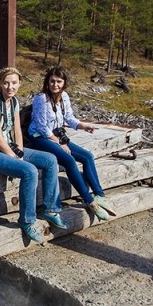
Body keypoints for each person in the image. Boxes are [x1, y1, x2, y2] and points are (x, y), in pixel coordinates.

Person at [0, 66, 67, 245]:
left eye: (14, 83)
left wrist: (20, 151)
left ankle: (50, 209)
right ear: (0, 84)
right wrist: (16, 158)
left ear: (19, 84)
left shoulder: (14, 101)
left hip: (7, 148)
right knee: (29, 171)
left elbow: (17, 131)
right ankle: (27, 220)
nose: (10, 87)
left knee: (50, 160)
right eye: (6, 83)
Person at [25, 66, 113, 221]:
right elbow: (41, 126)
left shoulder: (64, 96)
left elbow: (69, 117)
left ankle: (99, 195)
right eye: (52, 81)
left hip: (56, 135)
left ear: (64, 83)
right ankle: (90, 201)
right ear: (47, 82)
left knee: (87, 157)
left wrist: (83, 125)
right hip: (40, 137)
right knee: (69, 160)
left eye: (59, 81)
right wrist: (59, 143)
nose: (55, 85)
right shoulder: (41, 98)